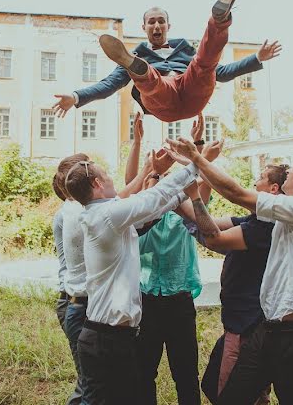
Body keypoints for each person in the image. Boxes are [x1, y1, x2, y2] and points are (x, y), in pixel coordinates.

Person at [167, 138, 293, 405]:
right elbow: (227, 209)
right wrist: (193, 166)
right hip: (269, 330)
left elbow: (236, 193)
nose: (289, 172)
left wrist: (199, 160)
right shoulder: (286, 213)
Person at [52, 0, 282, 122]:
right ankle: (140, 71)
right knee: (152, 83)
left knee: (204, 63)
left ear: (168, 25)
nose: (156, 25)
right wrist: (76, 96)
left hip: (192, 94)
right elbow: (109, 85)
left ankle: (219, 19)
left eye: (161, 20)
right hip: (163, 104)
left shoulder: (184, 49)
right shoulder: (138, 54)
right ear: (144, 27)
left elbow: (219, 73)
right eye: (151, 22)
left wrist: (257, 58)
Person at [64, 154, 200, 405]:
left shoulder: (108, 217)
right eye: (106, 175)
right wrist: (195, 163)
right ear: (96, 183)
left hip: (112, 337)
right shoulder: (106, 216)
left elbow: (157, 207)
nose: (111, 179)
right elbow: (151, 198)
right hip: (106, 340)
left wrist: (185, 192)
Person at [127, 113, 218, 405]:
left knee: (186, 373)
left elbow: (203, 181)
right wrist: (138, 142)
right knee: (142, 372)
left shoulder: (187, 211)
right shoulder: (143, 213)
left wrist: (198, 145)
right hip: (147, 298)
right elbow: (132, 182)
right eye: (161, 178)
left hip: (179, 298)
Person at [182, 163, 289, 405]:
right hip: (241, 321)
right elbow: (206, 222)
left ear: (273, 189)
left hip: (247, 325)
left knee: (226, 393)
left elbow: (214, 239)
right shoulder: (255, 220)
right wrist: (179, 198)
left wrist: (192, 196)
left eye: (260, 177)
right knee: (250, 389)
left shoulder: (268, 227)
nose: (254, 182)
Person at [53, 153, 93, 405]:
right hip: (73, 301)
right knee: (89, 382)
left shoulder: (75, 208)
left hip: (74, 300)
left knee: (91, 379)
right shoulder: (73, 212)